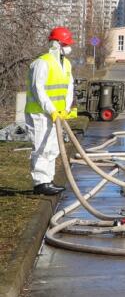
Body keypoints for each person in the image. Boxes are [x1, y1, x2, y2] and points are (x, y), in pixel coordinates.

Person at [25, 27, 77, 196]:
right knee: (42, 147)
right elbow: (38, 89)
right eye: (65, 44)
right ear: (56, 44)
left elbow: (69, 88)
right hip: (40, 113)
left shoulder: (66, 64)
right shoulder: (42, 63)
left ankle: (48, 180)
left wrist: (66, 109)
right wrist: (51, 109)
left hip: (57, 114)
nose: (68, 48)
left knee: (53, 147)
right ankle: (40, 183)